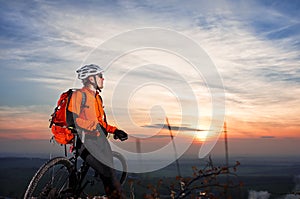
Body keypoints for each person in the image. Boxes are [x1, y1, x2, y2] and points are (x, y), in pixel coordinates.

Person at [67, 64, 128, 198]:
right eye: (100, 76)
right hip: (85, 142)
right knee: (108, 173)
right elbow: (72, 121)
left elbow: (101, 124)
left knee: (109, 174)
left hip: (100, 141)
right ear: (91, 79)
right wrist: (92, 126)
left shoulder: (97, 98)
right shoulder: (79, 95)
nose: (103, 79)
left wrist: (115, 131)